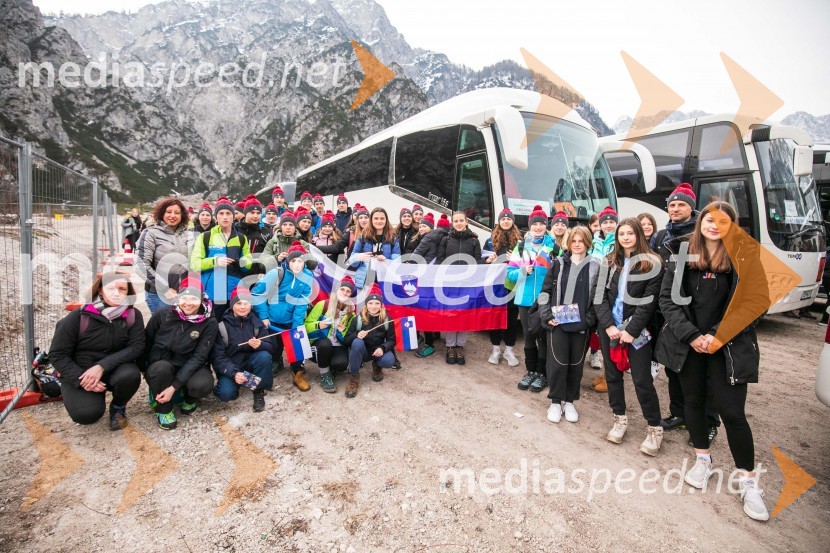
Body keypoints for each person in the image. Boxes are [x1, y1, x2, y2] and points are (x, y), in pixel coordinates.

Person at [655, 201, 770, 521]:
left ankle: (747, 481)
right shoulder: (682, 253)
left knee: (732, 412)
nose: (714, 226)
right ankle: (702, 459)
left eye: (722, 221)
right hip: (689, 346)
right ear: (700, 221)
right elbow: (668, 300)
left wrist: (719, 335)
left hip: (729, 347)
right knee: (693, 402)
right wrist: (692, 335)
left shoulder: (745, 256)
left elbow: (756, 301)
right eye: (709, 219)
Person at [651, 183, 720, 442]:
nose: (676, 208)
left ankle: (708, 422)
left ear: (692, 208)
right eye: (672, 204)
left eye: (681, 204)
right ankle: (680, 413)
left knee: (706, 373)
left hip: (699, 313)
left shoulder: (702, 234)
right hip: (668, 309)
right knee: (673, 366)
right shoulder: (661, 237)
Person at [594, 218, 665, 455]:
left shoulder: (652, 263)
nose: (625, 237)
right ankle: (619, 419)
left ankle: (654, 428)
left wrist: (630, 331)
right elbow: (599, 298)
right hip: (611, 329)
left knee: (642, 380)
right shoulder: (609, 262)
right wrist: (608, 326)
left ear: (639, 235)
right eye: (621, 233)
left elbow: (649, 303)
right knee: (613, 376)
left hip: (637, 331)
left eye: (630, 233)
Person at [48, 273, 144, 430]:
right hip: (81, 371)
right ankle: (79, 393)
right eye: (111, 288)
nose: (116, 292)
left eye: (122, 289)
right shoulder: (79, 316)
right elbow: (57, 354)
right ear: (100, 290)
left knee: (130, 375)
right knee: (86, 415)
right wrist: (81, 380)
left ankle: (118, 407)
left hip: (114, 368)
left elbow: (136, 347)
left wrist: (101, 366)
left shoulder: (132, 316)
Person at [539, 226, 599, 423]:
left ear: (588, 243)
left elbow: (599, 299)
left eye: (581, 241)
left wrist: (589, 320)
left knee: (576, 365)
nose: (577, 244)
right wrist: (547, 315)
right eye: (574, 241)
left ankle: (570, 401)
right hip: (558, 323)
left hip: (581, 325)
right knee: (557, 363)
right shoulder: (557, 264)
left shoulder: (596, 267)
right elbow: (545, 292)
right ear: (569, 242)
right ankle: (556, 402)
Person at [141, 277, 218, 430]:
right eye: (184, 297)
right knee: (159, 370)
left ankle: (190, 397)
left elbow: (199, 356)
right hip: (162, 363)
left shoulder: (209, 322)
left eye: (194, 298)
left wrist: (174, 387)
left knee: (202, 385)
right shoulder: (163, 314)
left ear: (202, 299)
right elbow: (146, 342)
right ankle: (164, 410)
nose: (188, 303)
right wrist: (145, 370)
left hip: (189, 364)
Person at [506, 206, 560, 391]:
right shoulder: (520, 246)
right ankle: (530, 372)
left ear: (546, 226)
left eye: (541, 224)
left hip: (545, 300)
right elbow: (510, 273)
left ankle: (541, 374)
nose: (538, 227)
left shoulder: (554, 247)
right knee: (529, 336)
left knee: (543, 337)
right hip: (524, 298)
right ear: (529, 226)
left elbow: (562, 273)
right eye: (534, 224)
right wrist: (522, 271)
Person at [252, 241, 314, 391]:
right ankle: (276, 363)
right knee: (273, 346)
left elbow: (302, 301)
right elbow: (257, 294)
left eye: (300, 261)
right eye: (293, 261)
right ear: (287, 260)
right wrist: (264, 316)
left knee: (297, 345)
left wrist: (296, 324)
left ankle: (297, 373)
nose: (297, 264)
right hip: (271, 318)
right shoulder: (276, 273)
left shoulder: (307, 276)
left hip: (291, 317)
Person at [210, 286, 275, 412]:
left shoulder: (257, 323)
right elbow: (218, 357)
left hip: (251, 363)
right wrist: (234, 373)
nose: (243, 307)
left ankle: (258, 391)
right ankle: (242, 381)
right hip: (232, 365)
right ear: (232, 304)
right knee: (226, 394)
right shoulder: (221, 326)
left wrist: (260, 345)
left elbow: (271, 347)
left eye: (246, 303)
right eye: (239, 303)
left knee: (264, 356)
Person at [189, 196, 252, 320]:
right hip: (212, 292)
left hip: (233, 292)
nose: (225, 217)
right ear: (216, 217)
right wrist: (215, 261)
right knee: (212, 327)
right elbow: (195, 264)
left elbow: (248, 263)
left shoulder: (241, 238)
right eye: (221, 213)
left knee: (231, 328)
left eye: (228, 213)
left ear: (233, 216)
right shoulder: (205, 237)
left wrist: (241, 263)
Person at [437, 211, 483, 365]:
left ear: (466, 221)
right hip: (449, 284)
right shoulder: (446, 239)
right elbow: (439, 261)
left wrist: (488, 262)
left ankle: (460, 346)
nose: (458, 223)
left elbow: (478, 262)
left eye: (461, 220)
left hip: (467, 285)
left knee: (464, 315)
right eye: (455, 221)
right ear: (452, 223)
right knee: (451, 315)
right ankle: (450, 346)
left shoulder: (474, 241)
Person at [136, 198, 193, 314]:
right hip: (158, 293)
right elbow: (141, 265)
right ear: (162, 213)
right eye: (169, 212)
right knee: (163, 328)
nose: (173, 216)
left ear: (182, 215)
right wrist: (164, 288)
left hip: (183, 292)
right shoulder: (151, 233)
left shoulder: (189, 234)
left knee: (181, 328)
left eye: (177, 213)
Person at [342, 283, 396, 398]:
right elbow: (346, 341)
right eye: (370, 303)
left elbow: (392, 340)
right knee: (356, 342)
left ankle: (377, 366)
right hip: (363, 353)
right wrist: (356, 334)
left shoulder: (387, 319)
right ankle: (354, 377)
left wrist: (383, 348)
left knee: (389, 361)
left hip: (377, 351)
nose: (374, 306)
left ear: (381, 305)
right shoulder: (358, 319)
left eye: (377, 303)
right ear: (366, 305)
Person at [305, 276, 357, 393]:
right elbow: (306, 327)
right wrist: (318, 325)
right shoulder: (322, 305)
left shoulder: (350, 314)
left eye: (348, 291)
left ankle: (331, 367)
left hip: (337, 345)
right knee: (325, 344)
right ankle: (325, 374)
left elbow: (346, 339)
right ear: (336, 291)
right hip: (319, 343)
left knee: (341, 364)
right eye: (342, 289)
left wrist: (341, 331)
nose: (345, 293)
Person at [484, 208, 523, 367]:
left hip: (513, 284)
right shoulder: (490, 240)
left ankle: (509, 350)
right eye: (503, 219)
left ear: (512, 221)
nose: (506, 221)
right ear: (499, 222)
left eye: (509, 219)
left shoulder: (520, 242)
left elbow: (528, 263)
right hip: (495, 284)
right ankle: (495, 349)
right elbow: (482, 261)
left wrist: (517, 261)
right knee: (495, 315)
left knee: (512, 316)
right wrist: (488, 261)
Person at [588, 206, 619, 391]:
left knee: (610, 337)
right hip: (595, 290)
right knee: (600, 334)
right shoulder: (595, 241)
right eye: (604, 222)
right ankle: (607, 374)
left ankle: (611, 378)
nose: (608, 225)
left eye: (611, 222)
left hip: (609, 293)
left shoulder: (617, 242)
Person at [411, 213, 442, 357]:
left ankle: (429, 344)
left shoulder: (427, 239)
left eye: (425, 226)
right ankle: (432, 336)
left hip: (425, 280)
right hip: (432, 279)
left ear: (431, 228)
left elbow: (414, 257)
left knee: (424, 310)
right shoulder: (437, 237)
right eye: (420, 226)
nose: (421, 228)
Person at [348, 207, 401, 290]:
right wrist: (358, 257)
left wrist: (386, 261)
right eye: (376, 218)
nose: (379, 221)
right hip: (365, 282)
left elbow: (397, 264)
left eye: (382, 218)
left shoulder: (393, 239)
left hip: (385, 282)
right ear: (371, 220)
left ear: (386, 220)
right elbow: (352, 261)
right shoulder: (362, 238)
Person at [237, 195, 272, 275]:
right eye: (252, 212)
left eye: (258, 213)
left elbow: (268, 256)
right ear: (245, 213)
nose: (255, 216)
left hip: (256, 276)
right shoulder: (235, 229)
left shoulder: (265, 233)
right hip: (237, 274)